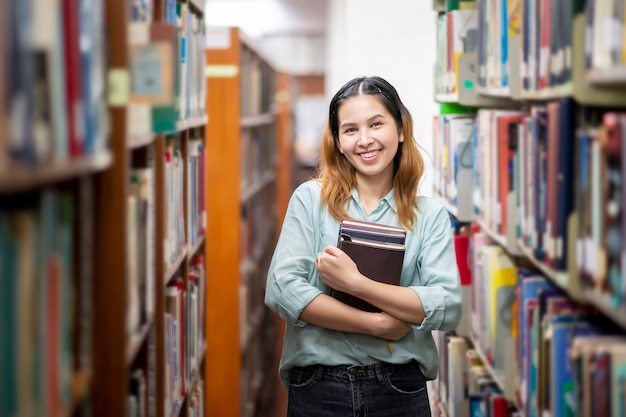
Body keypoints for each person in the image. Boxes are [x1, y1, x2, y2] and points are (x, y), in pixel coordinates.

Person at [265, 75, 462, 417]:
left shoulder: (428, 215)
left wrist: (356, 284)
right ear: (338, 141)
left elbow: (446, 304)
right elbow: (283, 290)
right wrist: (377, 325)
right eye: (351, 130)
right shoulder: (310, 200)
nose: (365, 140)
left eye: (376, 124)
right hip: (318, 388)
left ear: (400, 130)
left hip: (399, 389)